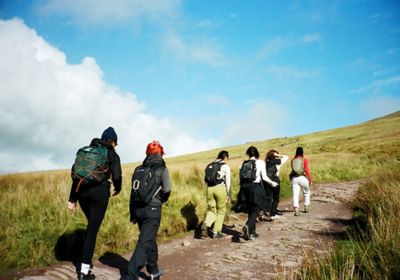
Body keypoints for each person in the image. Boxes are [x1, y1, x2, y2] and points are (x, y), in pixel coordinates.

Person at [68, 127, 122, 280]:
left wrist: (72, 198)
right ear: (112, 141)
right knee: (92, 231)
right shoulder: (111, 153)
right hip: (100, 193)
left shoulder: (87, 152)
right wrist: (117, 188)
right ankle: (84, 272)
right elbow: (117, 176)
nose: (115, 145)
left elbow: (77, 176)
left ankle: (86, 261)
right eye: (115, 143)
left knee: (91, 227)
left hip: (82, 193)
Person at [126, 141, 171, 280]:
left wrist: (133, 213)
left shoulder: (138, 169)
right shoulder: (162, 169)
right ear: (160, 153)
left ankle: (153, 270)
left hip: (138, 209)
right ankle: (130, 275)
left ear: (147, 153)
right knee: (145, 242)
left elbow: (133, 193)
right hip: (153, 209)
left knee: (149, 239)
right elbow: (167, 190)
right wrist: (161, 199)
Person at [240, 146, 278, 240]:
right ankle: (248, 225)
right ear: (257, 153)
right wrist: (273, 183)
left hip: (245, 188)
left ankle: (252, 233)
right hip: (255, 187)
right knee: (256, 209)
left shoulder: (244, 163)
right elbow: (264, 177)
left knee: (250, 210)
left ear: (248, 154)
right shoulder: (260, 162)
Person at [201, 150, 231, 239]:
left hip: (209, 188)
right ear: (225, 157)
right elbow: (228, 181)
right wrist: (228, 194)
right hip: (220, 188)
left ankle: (206, 223)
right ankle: (216, 232)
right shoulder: (225, 166)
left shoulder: (210, 165)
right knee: (221, 210)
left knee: (212, 209)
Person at [265, 149, 288, 219]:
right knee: (276, 198)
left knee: (269, 197)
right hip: (275, 180)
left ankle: (267, 211)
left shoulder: (266, 162)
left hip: (266, 181)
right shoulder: (277, 162)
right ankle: (273, 214)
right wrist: (278, 155)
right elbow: (286, 157)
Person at [290, 147, 312, 216]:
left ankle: (296, 209)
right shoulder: (304, 160)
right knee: (306, 192)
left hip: (294, 178)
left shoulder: (292, 160)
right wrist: (310, 179)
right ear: (302, 152)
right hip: (302, 178)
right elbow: (306, 170)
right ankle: (306, 206)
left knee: (295, 194)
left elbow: (293, 170)